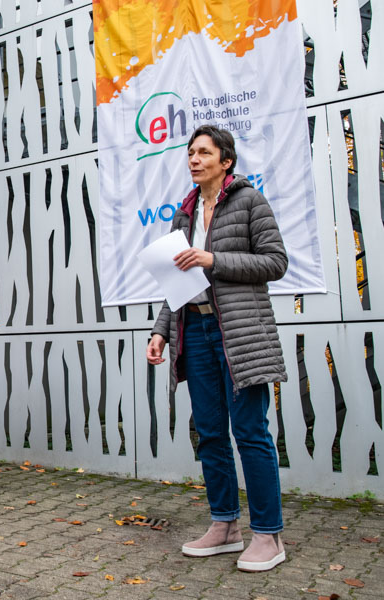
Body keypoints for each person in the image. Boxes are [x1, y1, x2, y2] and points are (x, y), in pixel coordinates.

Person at [146, 125, 289, 573]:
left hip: (240, 336)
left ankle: (269, 535)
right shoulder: (183, 215)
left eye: (203, 152)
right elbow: (177, 285)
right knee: (209, 434)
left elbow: (275, 262)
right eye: (190, 152)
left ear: (225, 161)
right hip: (198, 335)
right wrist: (160, 332)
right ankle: (225, 526)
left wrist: (214, 260)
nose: (193, 159)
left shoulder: (249, 201)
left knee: (250, 432)